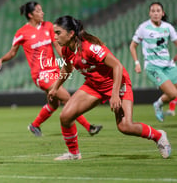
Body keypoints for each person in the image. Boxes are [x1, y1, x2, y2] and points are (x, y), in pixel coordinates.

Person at [49, 15, 171, 160]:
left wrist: (114, 94)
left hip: (118, 84)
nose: (55, 37)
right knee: (66, 116)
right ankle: (74, 154)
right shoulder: (67, 50)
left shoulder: (90, 48)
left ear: (70, 34)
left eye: (58, 33)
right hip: (94, 86)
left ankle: (159, 136)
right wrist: (55, 87)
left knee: (125, 127)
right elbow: (67, 69)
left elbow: (117, 66)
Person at [0, 2, 102, 137]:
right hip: (40, 74)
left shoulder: (48, 26)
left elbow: (57, 45)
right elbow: (13, 52)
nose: (42, 13)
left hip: (54, 70)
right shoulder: (22, 33)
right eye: (38, 11)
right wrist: (1, 60)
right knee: (66, 97)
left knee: (54, 104)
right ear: (30, 15)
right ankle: (89, 127)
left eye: (42, 10)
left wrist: (69, 58)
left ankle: (34, 125)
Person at [130, 2, 177, 122]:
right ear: (149, 13)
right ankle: (158, 105)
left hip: (168, 65)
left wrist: (174, 59)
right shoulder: (143, 28)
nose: (155, 13)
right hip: (153, 67)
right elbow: (132, 46)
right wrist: (137, 63)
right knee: (173, 94)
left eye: (158, 11)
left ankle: (158, 103)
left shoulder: (168, 27)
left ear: (162, 13)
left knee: (174, 93)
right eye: (153, 11)